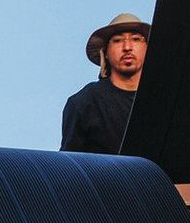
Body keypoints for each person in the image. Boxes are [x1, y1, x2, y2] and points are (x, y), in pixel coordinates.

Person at [60, 13, 148, 154]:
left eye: (136, 39)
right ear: (105, 52)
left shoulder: (164, 99)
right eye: (118, 40)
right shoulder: (85, 102)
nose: (127, 47)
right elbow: (70, 164)